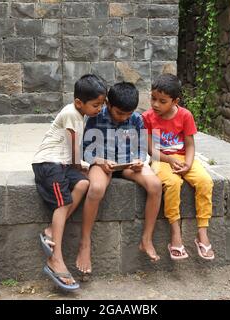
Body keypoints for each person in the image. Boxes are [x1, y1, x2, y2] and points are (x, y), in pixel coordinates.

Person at [76, 82, 163, 274]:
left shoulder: (137, 119)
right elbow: (84, 151)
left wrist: (140, 161)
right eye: (119, 113)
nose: (124, 117)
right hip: (102, 164)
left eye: (127, 114)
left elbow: (142, 149)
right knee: (96, 188)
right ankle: (85, 243)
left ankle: (146, 239)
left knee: (155, 185)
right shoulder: (95, 117)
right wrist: (100, 161)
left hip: (127, 165)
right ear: (108, 104)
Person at [32, 74, 107, 290]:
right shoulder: (72, 114)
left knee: (83, 184)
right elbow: (74, 149)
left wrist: (81, 165)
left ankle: (50, 231)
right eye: (96, 105)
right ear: (78, 102)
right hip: (48, 164)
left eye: (102, 105)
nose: (99, 109)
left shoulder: (78, 113)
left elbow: (74, 156)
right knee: (62, 202)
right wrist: (82, 163)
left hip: (62, 164)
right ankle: (55, 258)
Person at [142, 73, 215, 261]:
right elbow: (151, 150)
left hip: (183, 158)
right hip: (161, 159)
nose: (155, 104)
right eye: (153, 98)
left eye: (162, 101)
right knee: (173, 184)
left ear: (175, 101)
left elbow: (190, 145)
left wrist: (188, 164)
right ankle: (175, 234)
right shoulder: (147, 118)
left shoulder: (185, 115)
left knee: (205, 181)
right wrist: (168, 160)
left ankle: (202, 232)